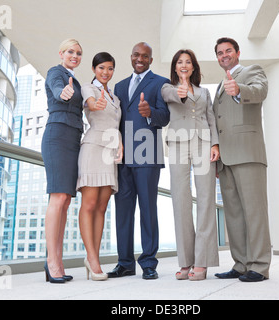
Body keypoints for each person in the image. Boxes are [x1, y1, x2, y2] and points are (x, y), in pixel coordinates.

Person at [108, 42, 170, 280]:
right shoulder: (120, 86)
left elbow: (165, 117)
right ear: (131, 56)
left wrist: (150, 112)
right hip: (123, 158)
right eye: (136, 55)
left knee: (147, 210)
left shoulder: (161, 82)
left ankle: (148, 263)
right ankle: (124, 263)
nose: (140, 59)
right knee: (123, 211)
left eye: (145, 56)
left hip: (147, 155)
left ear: (151, 60)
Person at [212, 37, 272, 282]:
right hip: (225, 159)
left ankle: (259, 265)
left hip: (247, 153)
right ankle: (240, 264)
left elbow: (261, 91)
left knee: (254, 212)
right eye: (219, 53)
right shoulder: (218, 85)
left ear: (237, 52)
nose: (224, 55)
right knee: (234, 214)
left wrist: (239, 90)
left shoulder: (251, 72)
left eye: (228, 51)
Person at [161, 49, 220, 281]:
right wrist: (182, 89)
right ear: (175, 67)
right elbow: (175, 97)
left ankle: (202, 261)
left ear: (194, 67)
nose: (184, 65)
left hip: (203, 145)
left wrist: (215, 144)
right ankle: (186, 261)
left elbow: (210, 118)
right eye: (179, 62)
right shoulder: (168, 88)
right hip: (177, 146)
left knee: (206, 199)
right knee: (181, 201)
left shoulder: (205, 92)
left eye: (188, 62)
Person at [76, 52, 122, 281]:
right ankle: (92, 259)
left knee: (102, 207)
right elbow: (91, 105)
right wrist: (95, 104)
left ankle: (94, 257)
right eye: (102, 67)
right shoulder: (88, 88)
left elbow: (116, 124)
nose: (106, 72)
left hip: (111, 153)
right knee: (90, 203)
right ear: (94, 69)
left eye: (110, 68)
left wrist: (120, 144)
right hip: (93, 147)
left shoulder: (116, 98)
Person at [42, 39, 84, 283]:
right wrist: (62, 92)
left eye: (78, 53)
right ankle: (52, 262)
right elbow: (57, 87)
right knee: (57, 197)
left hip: (73, 138)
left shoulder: (75, 79)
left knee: (66, 200)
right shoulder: (56, 72)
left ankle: (57, 258)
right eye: (70, 51)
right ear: (61, 53)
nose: (75, 56)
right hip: (57, 136)